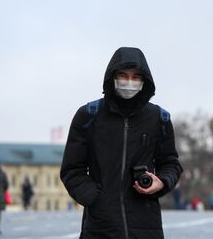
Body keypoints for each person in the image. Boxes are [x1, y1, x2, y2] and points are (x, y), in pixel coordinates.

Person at [60, 47, 182, 239]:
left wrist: (162, 182)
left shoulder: (159, 118)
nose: (129, 82)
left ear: (144, 80)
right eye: (123, 75)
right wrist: (95, 198)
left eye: (136, 77)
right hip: (100, 228)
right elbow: (71, 169)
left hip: (146, 227)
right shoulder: (88, 115)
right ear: (112, 77)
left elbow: (171, 164)